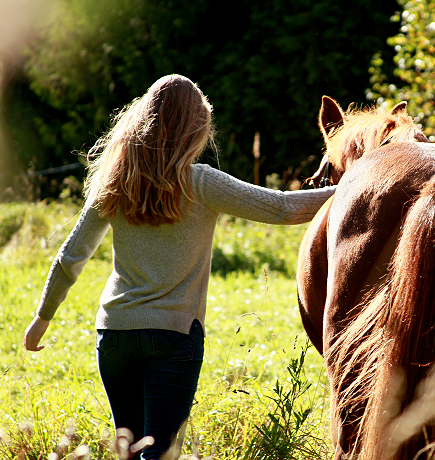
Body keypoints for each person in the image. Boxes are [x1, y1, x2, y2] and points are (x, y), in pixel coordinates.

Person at [23, 74, 335, 459]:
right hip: (174, 335)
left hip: (114, 333)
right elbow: (283, 207)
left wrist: (42, 318)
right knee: (160, 451)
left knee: (130, 449)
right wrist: (360, 182)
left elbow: (71, 256)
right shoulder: (200, 182)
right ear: (195, 129)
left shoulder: (114, 180)